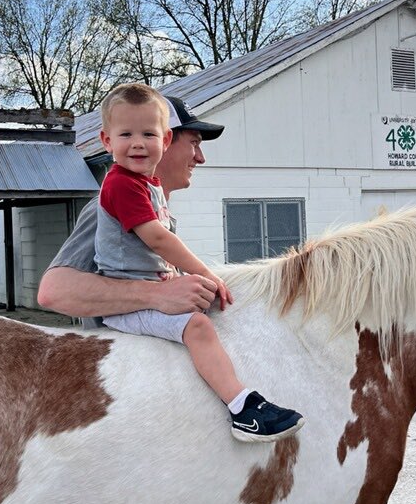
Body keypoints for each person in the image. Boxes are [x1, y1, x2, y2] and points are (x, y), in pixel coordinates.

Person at [38, 95, 239, 504]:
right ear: (161, 140)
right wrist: (158, 295)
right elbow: (55, 291)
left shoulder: (154, 206)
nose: (199, 156)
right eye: (194, 142)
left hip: (174, 419)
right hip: (123, 415)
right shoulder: (114, 201)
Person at [95, 82, 303, 442]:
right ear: (106, 141)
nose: (138, 143)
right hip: (127, 302)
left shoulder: (148, 186)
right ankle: (243, 409)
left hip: (154, 287)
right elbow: (158, 239)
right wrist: (203, 272)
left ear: (163, 140)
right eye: (126, 134)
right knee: (198, 327)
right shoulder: (121, 186)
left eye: (148, 134)